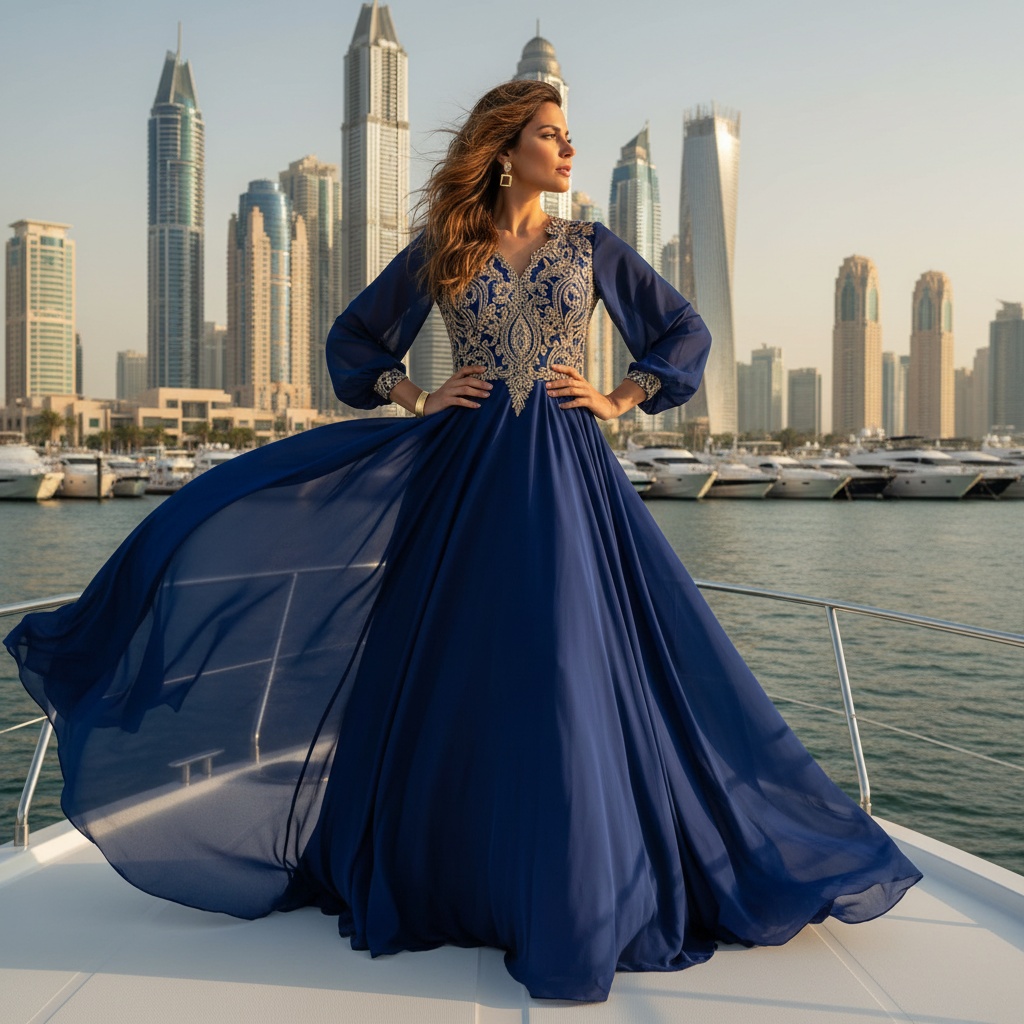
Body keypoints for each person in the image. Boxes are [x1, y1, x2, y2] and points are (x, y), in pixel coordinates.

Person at [5, 80, 920, 1003]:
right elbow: (355, 340)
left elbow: (685, 330)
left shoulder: (590, 245)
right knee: (465, 665)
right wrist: (415, 395)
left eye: (570, 139)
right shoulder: (449, 247)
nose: (568, 153)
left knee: (566, 663)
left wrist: (619, 398)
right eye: (551, 137)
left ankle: (570, 888)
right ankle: (468, 870)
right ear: (504, 146)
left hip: (567, 476)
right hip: (467, 478)